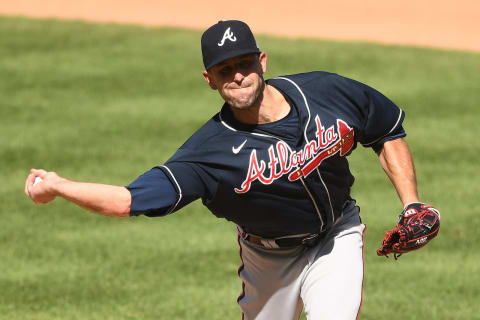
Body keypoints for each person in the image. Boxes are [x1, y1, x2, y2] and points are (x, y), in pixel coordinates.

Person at [25, 20, 433, 320]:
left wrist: (412, 204)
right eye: (225, 69)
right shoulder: (209, 153)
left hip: (336, 236)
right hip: (268, 258)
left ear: (262, 60)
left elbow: (384, 129)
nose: (238, 75)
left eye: (245, 63)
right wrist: (60, 186)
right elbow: (125, 201)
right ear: (209, 79)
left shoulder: (326, 91)